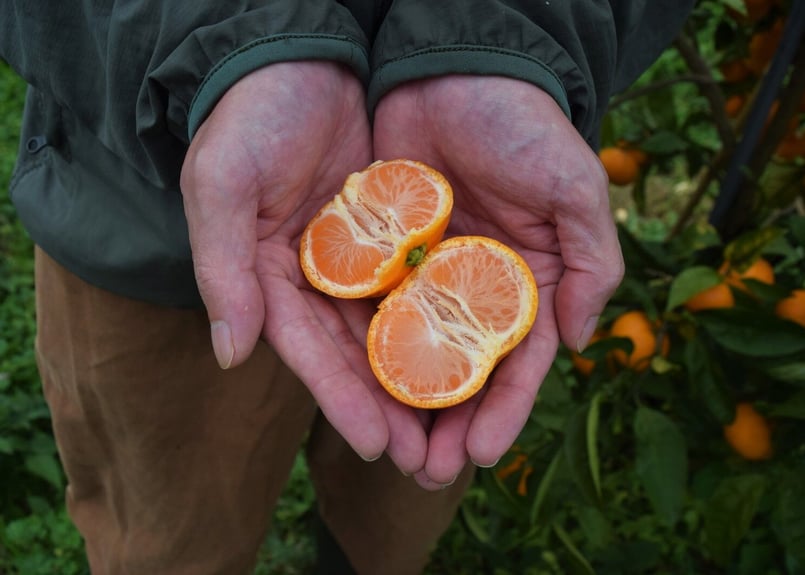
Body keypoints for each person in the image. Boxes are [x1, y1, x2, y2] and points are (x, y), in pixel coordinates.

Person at [1, 1, 696, 573]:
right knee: (166, 540)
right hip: (149, 202)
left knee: (391, 522)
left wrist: (508, 37)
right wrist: (234, 41)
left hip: (479, 191)